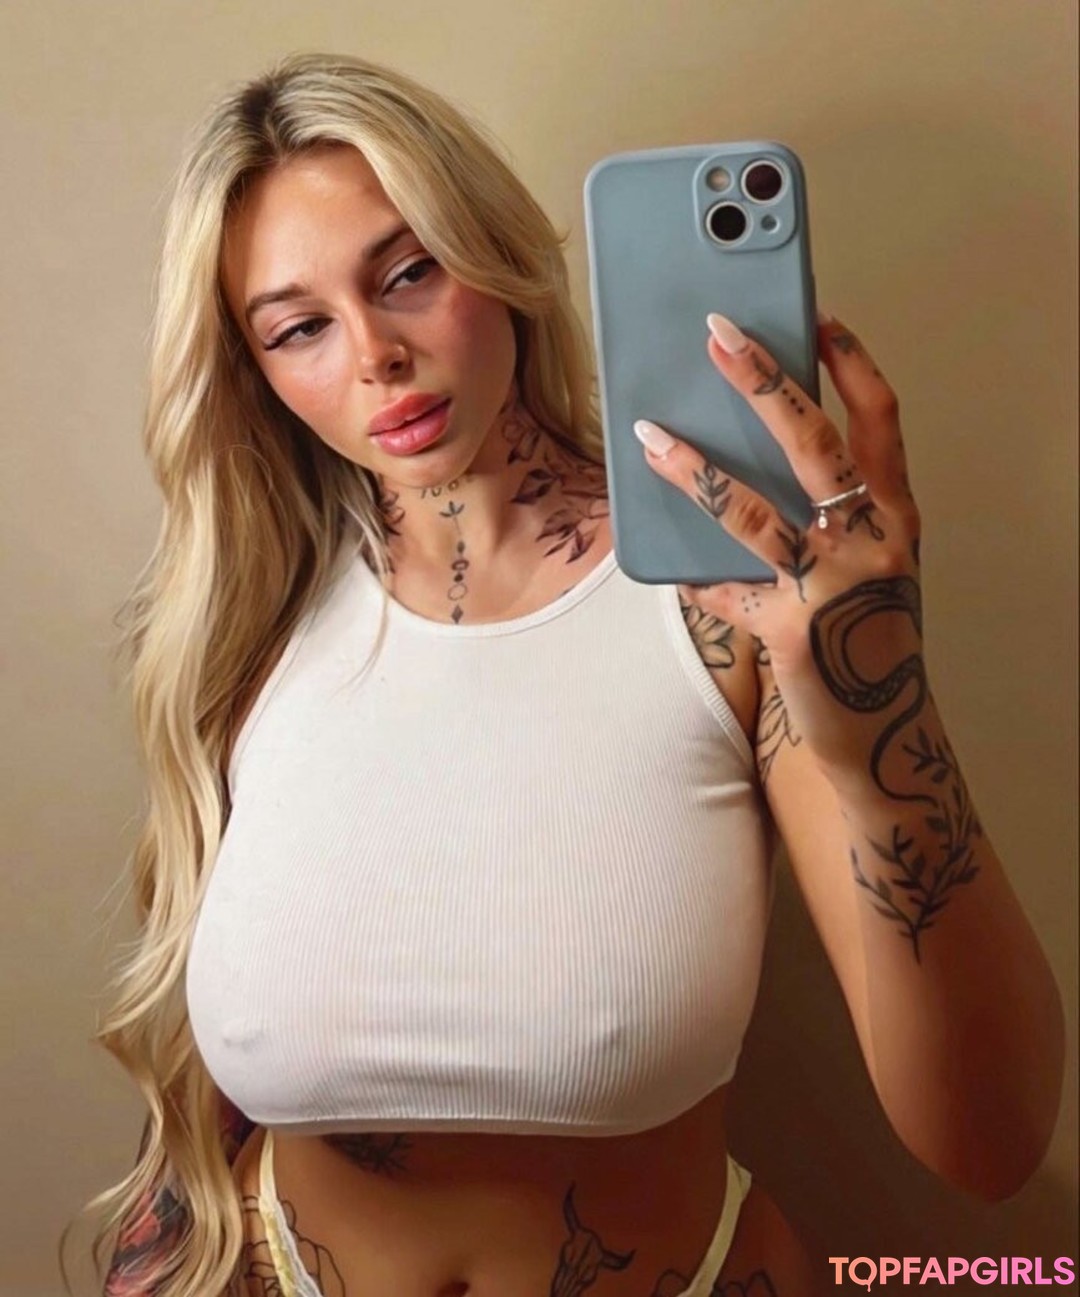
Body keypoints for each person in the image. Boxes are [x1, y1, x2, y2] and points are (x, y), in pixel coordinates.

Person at [75, 51, 1064, 1297]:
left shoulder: (735, 609)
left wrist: (882, 719)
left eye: (409, 272)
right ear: (256, 371)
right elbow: (212, 1096)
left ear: (496, 258)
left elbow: (989, 1145)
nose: (375, 354)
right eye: (300, 327)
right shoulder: (247, 625)